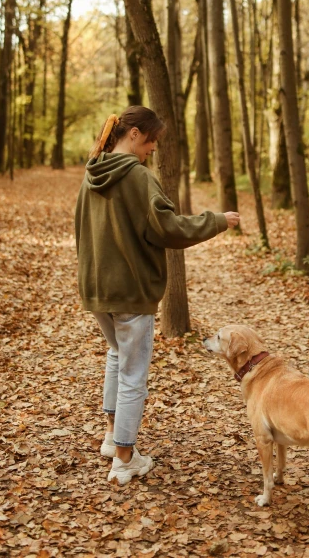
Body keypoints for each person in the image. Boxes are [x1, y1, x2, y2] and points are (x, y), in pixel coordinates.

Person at [75, 105, 239, 484]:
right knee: (133, 373)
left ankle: (111, 437)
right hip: (130, 290)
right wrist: (217, 221)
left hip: (97, 288)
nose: (152, 148)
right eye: (151, 140)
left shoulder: (92, 173)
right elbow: (167, 227)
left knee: (117, 356)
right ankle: (124, 459)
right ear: (133, 134)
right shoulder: (136, 177)